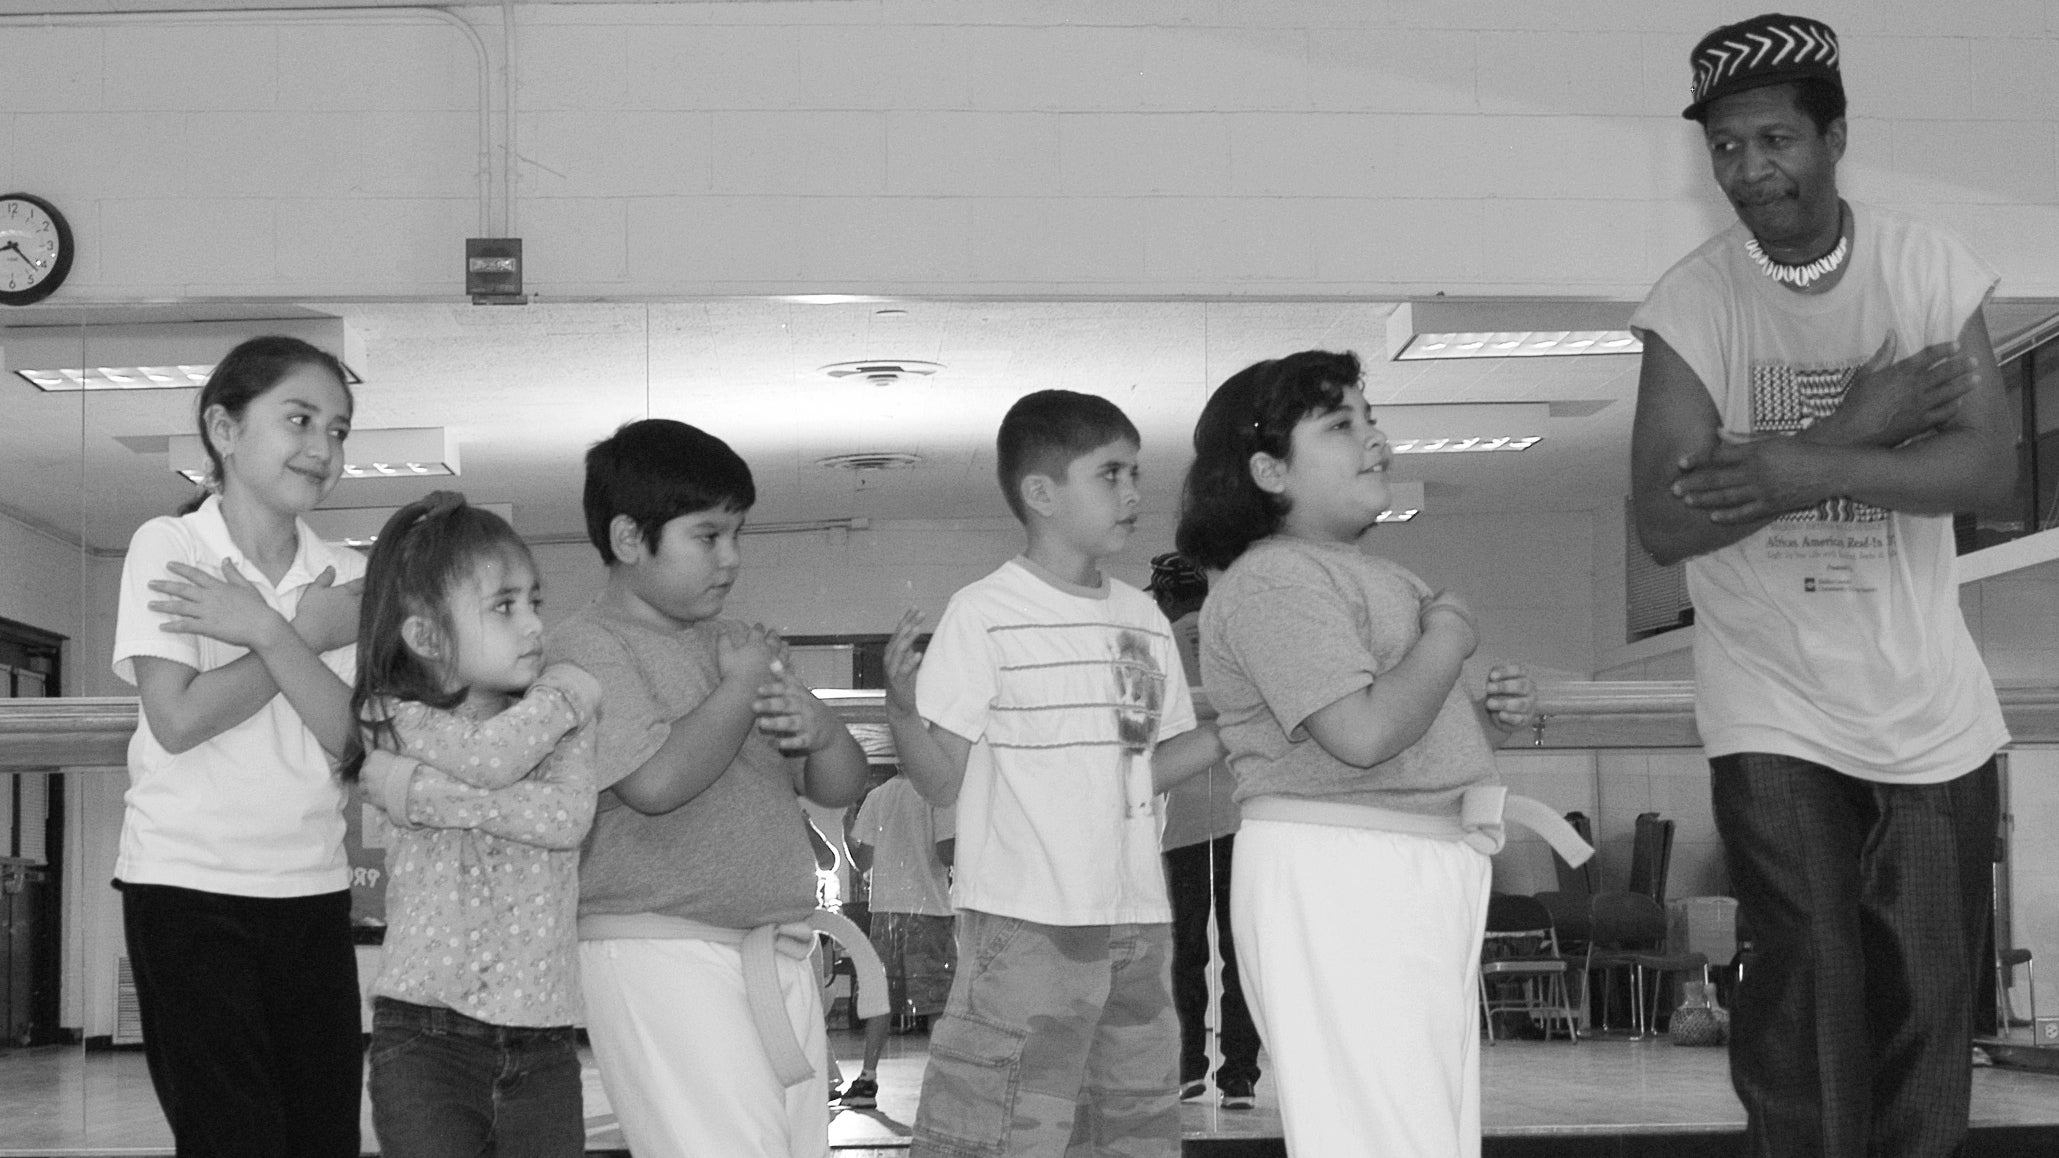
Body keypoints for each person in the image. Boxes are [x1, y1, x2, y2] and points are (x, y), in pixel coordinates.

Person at [1629, 14, 2013, 1158]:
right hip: (1772, 702)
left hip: (1930, 710)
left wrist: (1785, 464)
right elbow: (1661, 520)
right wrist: (1868, 430)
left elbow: (1982, 469)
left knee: (1932, 1004)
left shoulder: (1925, 268)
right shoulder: (1693, 304)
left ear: (1835, 135)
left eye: (1775, 140)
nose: (1752, 171)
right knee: (1804, 1000)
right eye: (1728, 150)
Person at [1175, 350, 1553, 1158]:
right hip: (1344, 870)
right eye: (1340, 425)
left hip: (1400, 860)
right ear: (1269, 471)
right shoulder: (1273, 580)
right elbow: (1361, 735)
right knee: (1379, 1133)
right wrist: (1448, 640)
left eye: (1370, 417)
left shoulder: (1368, 574)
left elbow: (1398, 734)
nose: (1374, 438)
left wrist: (1483, 716)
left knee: (1420, 1129)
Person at [889, 390, 1223, 1157]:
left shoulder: (1142, 621)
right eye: (1110, 474)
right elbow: (942, 783)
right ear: (1041, 494)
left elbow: (1142, 768)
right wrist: (904, 716)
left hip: (1135, 920)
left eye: (1136, 472)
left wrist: (1233, 731)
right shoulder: (985, 613)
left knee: (1129, 1129)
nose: (1134, 493)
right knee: (999, 1128)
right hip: (1025, 920)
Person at [547, 418, 880, 1158]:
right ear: (630, 539)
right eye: (707, 536)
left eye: (737, 534)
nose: (729, 559)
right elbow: (656, 783)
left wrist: (822, 731)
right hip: (658, 950)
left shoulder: (735, 644)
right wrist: (739, 687)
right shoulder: (588, 647)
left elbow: (839, 785)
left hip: (772, 948)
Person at [111, 335, 367, 1157]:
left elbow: (350, 740)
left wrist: (262, 628)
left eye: (338, 429)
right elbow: (178, 719)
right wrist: (298, 635)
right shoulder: (172, 545)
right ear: (224, 429)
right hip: (188, 890)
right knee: (233, 1140)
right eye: (299, 419)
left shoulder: (346, 574)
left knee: (320, 1137)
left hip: (312, 889)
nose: (321, 448)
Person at [344, 493, 603, 1158]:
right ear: (427, 637)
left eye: (534, 602)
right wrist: (564, 696)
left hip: (541, 1045)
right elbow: (491, 761)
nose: (533, 625)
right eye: (504, 606)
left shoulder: (557, 707)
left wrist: (420, 793)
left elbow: (565, 817)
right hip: (426, 1043)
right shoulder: (393, 716)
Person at [1145, 553, 1261, 1111]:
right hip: (1244, 816)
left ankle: (1188, 1066)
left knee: (1185, 950)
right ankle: (1238, 1074)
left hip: (1185, 821)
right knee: (1243, 951)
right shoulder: (1234, 636)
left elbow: (1139, 733)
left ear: (1164, 599)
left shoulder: (1155, 646)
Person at [840, 641, 958, 1111]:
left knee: (881, 1000)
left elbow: (861, 863)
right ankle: (946, 1085)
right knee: (941, 1002)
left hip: (885, 910)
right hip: (928, 909)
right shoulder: (939, 794)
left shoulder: (879, 796)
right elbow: (947, 853)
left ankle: (867, 1078)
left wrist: (850, 829)